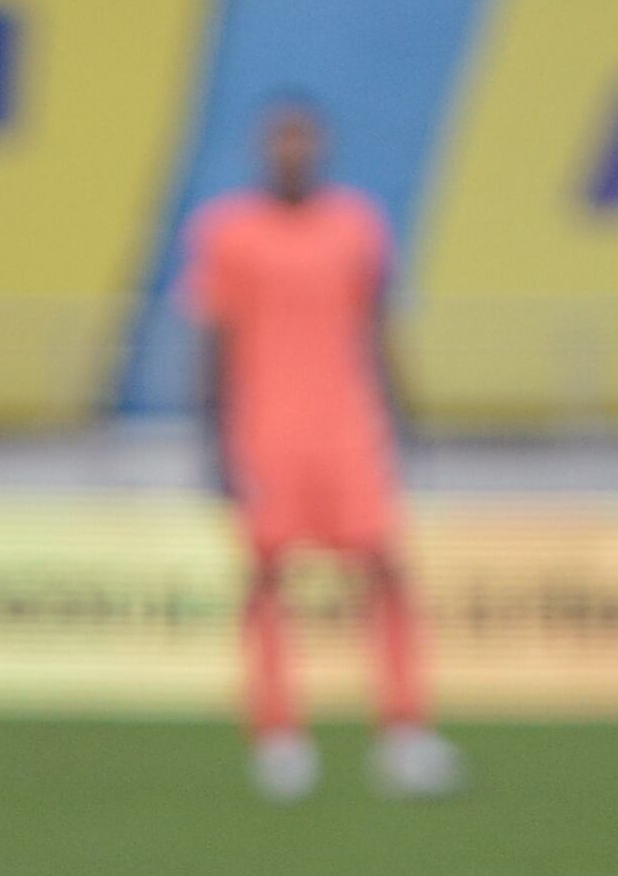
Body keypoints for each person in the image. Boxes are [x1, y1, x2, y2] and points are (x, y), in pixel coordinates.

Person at [184, 100, 461, 800]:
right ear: (263, 148)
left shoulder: (355, 224)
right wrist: (211, 440)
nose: (293, 152)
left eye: (303, 140)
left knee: (387, 570)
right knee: (268, 579)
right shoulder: (228, 232)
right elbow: (213, 341)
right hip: (267, 432)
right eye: (281, 140)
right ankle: (280, 735)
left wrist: (406, 417)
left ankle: (404, 731)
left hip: (347, 429)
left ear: (322, 147)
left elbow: (376, 327)